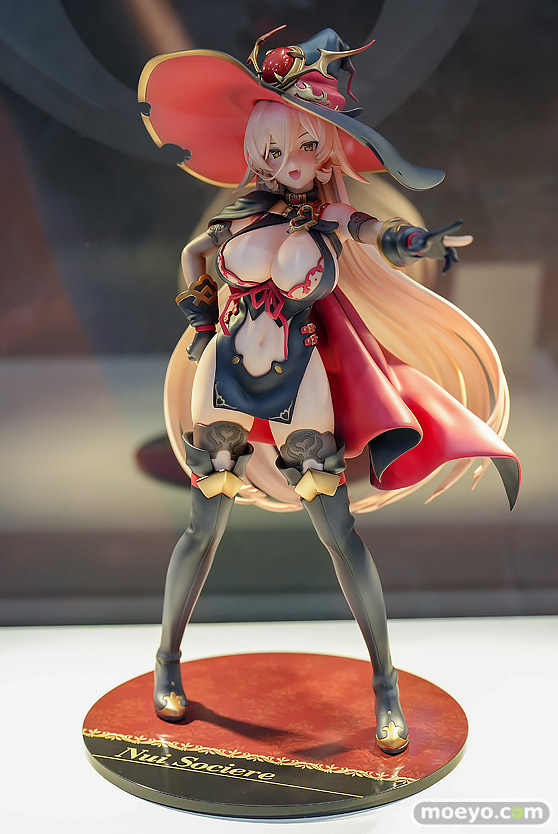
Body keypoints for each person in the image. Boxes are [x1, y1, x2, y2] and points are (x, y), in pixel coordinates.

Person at [139, 27, 520, 756]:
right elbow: (194, 256)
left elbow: (375, 230)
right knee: (202, 527)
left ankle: (385, 688)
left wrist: (418, 244)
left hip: (299, 379)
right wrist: (197, 312)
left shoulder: (325, 217)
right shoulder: (238, 216)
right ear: (256, 149)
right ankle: (166, 661)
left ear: (326, 152)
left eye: (308, 146)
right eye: (276, 148)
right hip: (222, 378)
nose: (291, 162)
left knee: (340, 534)